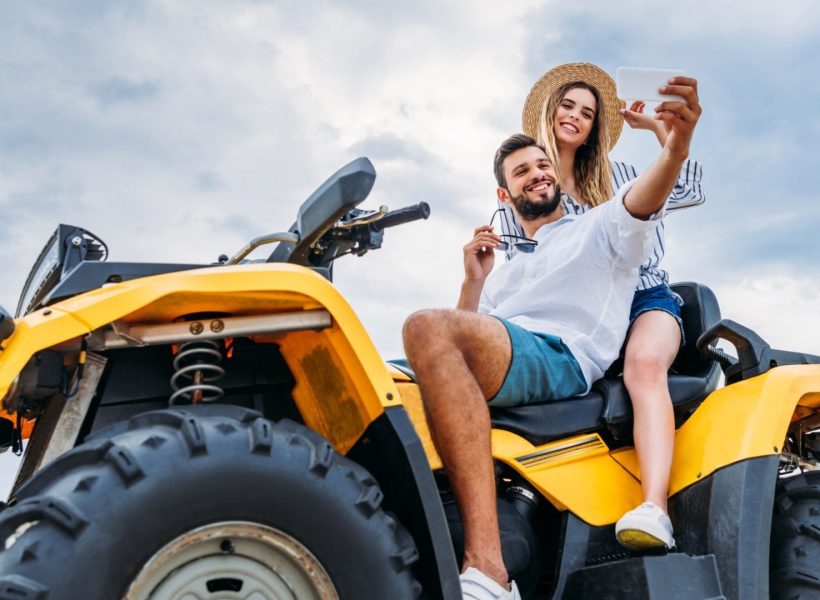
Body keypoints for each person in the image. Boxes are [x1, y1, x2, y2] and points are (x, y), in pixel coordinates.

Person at [403, 76, 701, 600]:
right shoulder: (511, 259)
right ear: (504, 193)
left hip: (625, 309)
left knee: (643, 368)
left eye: (542, 167)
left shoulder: (603, 214)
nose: (538, 173)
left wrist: (672, 146)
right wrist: (473, 281)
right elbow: (466, 335)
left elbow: (649, 198)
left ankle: (647, 507)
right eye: (523, 171)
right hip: (514, 337)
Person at [500, 63, 705, 551]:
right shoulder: (528, 193)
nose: (576, 116)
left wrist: (662, 132)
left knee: (643, 365)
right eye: (568, 106)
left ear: (596, 128)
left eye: (588, 113)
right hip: (574, 314)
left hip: (643, 298)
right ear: (550, 113)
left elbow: (692, 187)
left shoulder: (624, 175)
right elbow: (516, 277)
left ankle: (656, 507)